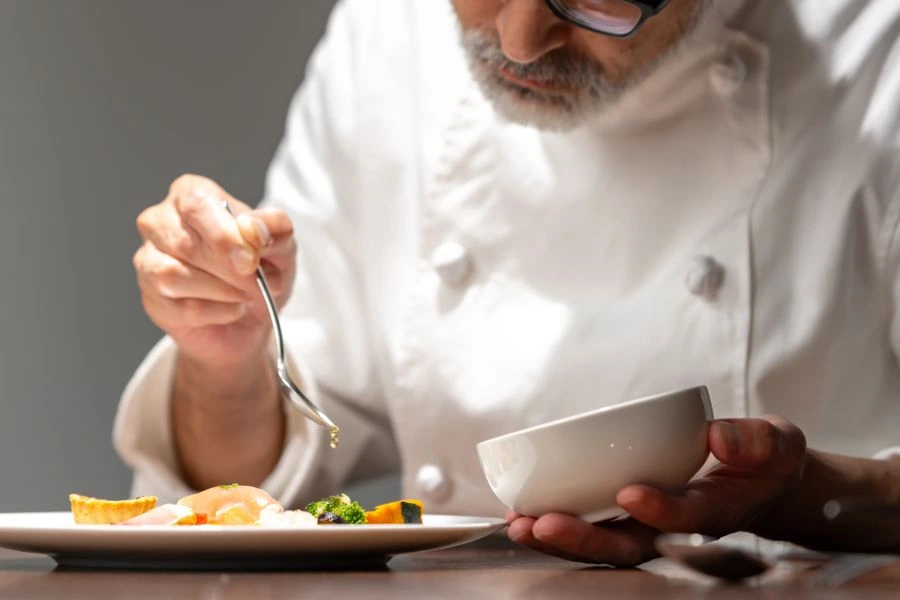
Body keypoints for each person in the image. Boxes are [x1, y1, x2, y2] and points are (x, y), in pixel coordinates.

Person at [119, 0, 900, 565]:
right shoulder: (384, 32)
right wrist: (224, 360)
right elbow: (258, 473)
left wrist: (806, 494)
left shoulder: (876, 52)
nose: (522, 43)